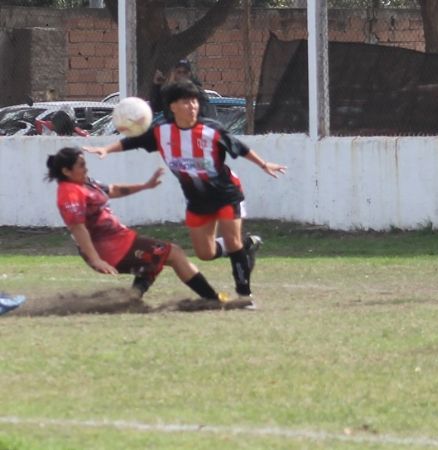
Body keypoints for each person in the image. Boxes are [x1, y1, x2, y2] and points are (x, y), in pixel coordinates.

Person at [83, 80, 287, 302]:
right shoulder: (162, 133)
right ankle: (247, 244)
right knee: (205, 253)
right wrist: (105, 149)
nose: (192, 106)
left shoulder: (211, 130)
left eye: (194, 102)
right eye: (186, 102)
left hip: (226, 194)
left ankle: (244, 295)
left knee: (231, 241)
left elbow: (241, 148)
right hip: (197, 201)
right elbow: (132, 142)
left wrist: (264, 164)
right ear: (172, 106)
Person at [46, 146, 229, 305]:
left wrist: (145, 186)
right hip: (110, 249)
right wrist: (95, 259)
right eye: (81, 166)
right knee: (173, 253)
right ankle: (212, 299)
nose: (86, 169)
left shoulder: (84, 183)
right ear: (66, 171)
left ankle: (128, 301)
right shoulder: (69, 193)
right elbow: (78, 228)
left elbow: (113, 189)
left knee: (152, 260)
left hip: (120, 241)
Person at [150, 59, 214, 119]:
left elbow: (205, 114)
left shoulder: (198, 92)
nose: (182, 75)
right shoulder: (169, 92)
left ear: (190, 74)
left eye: (185, 72)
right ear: (174, 73)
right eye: (179, 72)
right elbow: (156, 107)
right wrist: (157, 86)